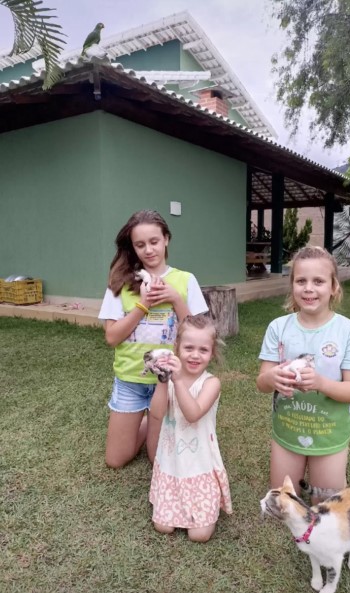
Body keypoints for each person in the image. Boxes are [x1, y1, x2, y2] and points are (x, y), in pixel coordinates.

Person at [256, 246, 350, 500]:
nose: (309, 288)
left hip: (329, 430)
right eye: (301, 281)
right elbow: (261, 383)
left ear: (333, 287)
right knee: (283, 500)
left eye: (318, 281)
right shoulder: (278, 327)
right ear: (292, 286)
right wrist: (272, 378)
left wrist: (320, 382)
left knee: (324, 504)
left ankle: (334, 471)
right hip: (288, 428)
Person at [98, 210, 208, 469]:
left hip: (169, 383)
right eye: (140, 244)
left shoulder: (185, 280)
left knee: (156, 458)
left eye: (154, 241)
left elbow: (199, 334)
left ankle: (153, 420)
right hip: (130, 381)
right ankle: (145, 419)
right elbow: (112, 338)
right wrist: (143, 305)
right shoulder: (121, 283)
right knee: (115, 460)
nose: (148, 250)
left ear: (166, 239)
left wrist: (176, 299)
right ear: (133, 248)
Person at [148, 314, 232, 542]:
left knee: (199, 535)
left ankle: (206, 505)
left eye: (203, 350)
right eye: (188, 348)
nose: (195, 355)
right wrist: (163, 381)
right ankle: (174, 503)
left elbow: (193, 414)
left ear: (212, 353)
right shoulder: (170, 378)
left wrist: (177, 381)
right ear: (176, 347)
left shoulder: (211, 383)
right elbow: (156, 413)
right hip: (172, 462)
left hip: (199, 463)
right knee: (163, 527)